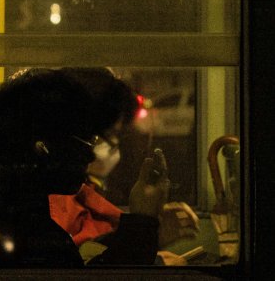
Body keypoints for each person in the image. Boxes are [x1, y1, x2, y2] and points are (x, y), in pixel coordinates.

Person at [0, 68, 169, 267]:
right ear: (43, 148)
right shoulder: (37, 237)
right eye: (83, 141)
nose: (90, 155)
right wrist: (143, 221)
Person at [50, 67, 200, 265]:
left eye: (117, 136)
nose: (112, 146)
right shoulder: (54, 197)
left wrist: (150, 229)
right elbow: (82, 268)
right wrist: (145, 233)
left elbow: (94, 249)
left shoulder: (83, 192)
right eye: (102, 136)